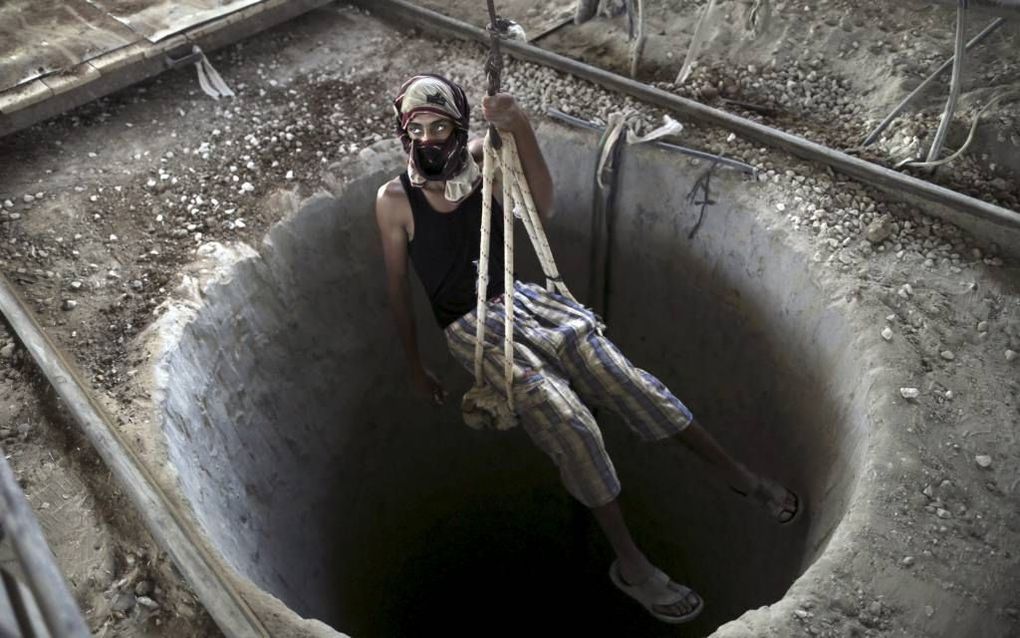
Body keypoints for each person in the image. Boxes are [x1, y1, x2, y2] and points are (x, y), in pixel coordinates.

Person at [374, 73, 799, 625]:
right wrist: (415, 367)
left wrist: (519, 124)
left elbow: (541, 207)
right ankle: (633, 565)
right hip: (471, 328)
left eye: (441, 126)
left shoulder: (484, 159)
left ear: (460, 127)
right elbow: (397, 292)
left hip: (523, 298)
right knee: (567, 419)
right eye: (418, 129)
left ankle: (740, 477)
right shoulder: (393, 201)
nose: (430, 140)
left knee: (623, 377)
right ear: (404, 134)